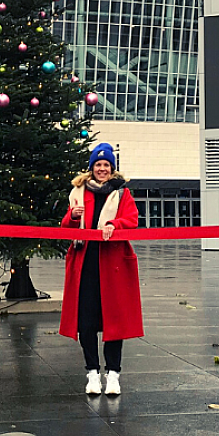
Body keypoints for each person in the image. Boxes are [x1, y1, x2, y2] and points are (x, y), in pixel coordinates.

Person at [58, 142, 142, 396]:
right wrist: (73, 216)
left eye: (106, 165)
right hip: (85, 265)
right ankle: (92, 374)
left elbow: (132, 220)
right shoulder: (78, 193)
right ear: (91, 167)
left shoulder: (121, 193)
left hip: (113, 265)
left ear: (112, 169)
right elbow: (65, 228)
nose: (102, 169)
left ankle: (113, 375)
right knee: (86, 322)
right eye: (98, 165)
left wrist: (114, 224)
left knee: (114, 321)